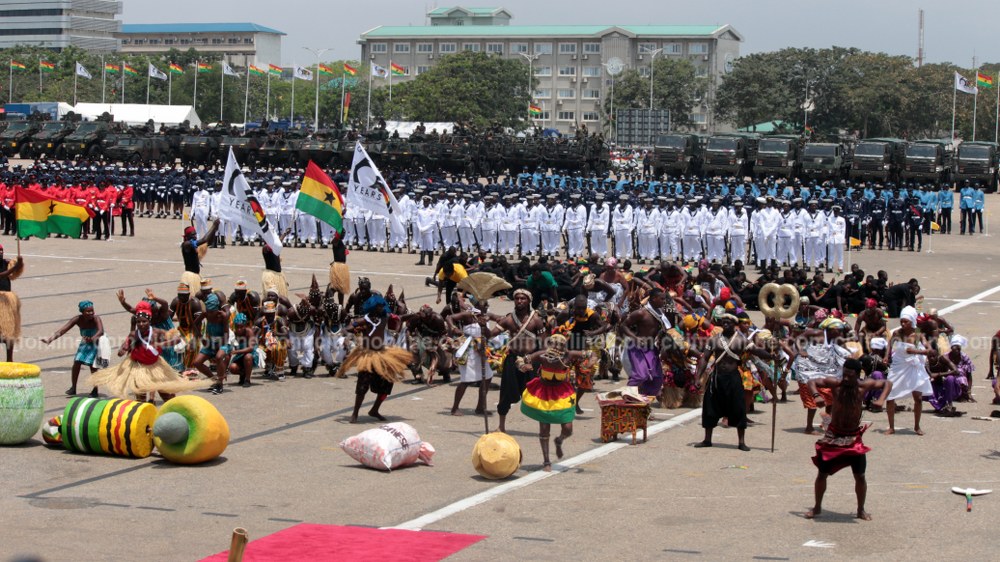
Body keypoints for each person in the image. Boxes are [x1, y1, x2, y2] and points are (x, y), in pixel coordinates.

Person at [805, 358, 892, 521]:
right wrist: (816, 395)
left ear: (857, 375)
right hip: (833, 436)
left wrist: (881, 400)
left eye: (849, 376)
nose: (845, 378)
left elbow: (888, 383)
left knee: (860, 476)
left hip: (853, 437)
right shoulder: (835, 384)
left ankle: (860, 510)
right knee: (822, 473)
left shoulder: (864, 386)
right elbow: (811, 381)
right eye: (844, 374)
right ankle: (817, 507)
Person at [88, 302, 208, 403]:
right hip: (138, 367)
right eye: (139, 322)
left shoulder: (157, 333)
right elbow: (124, 347)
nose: (141, 324)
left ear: (149, 321)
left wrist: (162, 344)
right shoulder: (134, 335)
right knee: (140, 396)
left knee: (166, 395)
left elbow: (177, 339)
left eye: (144, 321)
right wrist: (122, 349)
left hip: (156, 366)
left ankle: (172, 410)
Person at [694, 307, 767, 451]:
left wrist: (771, 356)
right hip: (716, 377)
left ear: (734, 324)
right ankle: (707, 439)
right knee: (710, 407)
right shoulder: (714, 339)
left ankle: (741, 442)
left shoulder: (741, 340)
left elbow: (756, 351)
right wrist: (698, 377)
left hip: (733, 377)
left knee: (738, 408)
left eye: (728, 322)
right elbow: (705, 358)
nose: (725, 324)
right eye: (723, 322)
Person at [518, 334, 585, 471]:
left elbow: (590, 354)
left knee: (568, 429)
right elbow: (521, 359)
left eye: (559, 345)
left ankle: (559, 440)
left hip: (562, 393)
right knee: (544, 429)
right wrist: (523, 366)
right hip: (544, 392)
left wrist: (590, 361)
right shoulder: (542, 354)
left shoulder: (568, 355)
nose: (555, 348)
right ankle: (546, 461)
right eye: (553, 344)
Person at [343, 294, 412, 423]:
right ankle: (355, 413)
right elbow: (347, 328)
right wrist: (353, 332)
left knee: (387, 383)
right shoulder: (364, 320)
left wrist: (415, 314)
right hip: (368, 356)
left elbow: (400, 318)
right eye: (378, 306)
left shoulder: (385, 317)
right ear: (372, 307)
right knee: (362, 387)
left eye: (382, 306)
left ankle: (374, 409)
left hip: (382, 354)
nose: (381, 308)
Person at [494, 288, 544, 433]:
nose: (520, 301)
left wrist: (533, 360)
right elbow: (490, 335)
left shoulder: (536, 320)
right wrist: (483, 325)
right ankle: (501, 426)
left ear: (529, 301)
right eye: (517, 298)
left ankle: (543, 426)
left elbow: (544, 346)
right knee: (505, 394)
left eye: (523, 298)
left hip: (531, 361)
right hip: (512, 360)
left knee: (536, 394)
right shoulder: (508, 319)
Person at [884, 306, 933, 435]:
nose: (903, 324)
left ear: (912, 321)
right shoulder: (897, 333)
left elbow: (930, 351)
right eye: (902, 321)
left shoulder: (917, 334)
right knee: (890, 395)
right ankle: (891, 427)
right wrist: (886, 355)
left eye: (906, 321)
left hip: (912, 366)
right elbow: (890, 343)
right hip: (898, 366)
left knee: (918, 397)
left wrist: (916, 351)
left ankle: (917, 426)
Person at [42, 300, 105, 397]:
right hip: (85, 343)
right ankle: (73, 388)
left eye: (92, 310)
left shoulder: (97, 319)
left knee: (93, 366)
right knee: (77, 362)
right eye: (88, 311)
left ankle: (95, 389)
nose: (91, 313)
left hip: (96, 342)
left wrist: (92, 339)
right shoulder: (77, 319)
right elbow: (63, 330)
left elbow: (100, 331)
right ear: (82, 312)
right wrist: (50, 339)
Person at [447, 296, 496, 416]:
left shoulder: (487, 316)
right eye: (482, 305)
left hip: (481, 350)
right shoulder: (469, 314)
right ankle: (454, 408)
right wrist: (454, 329)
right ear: (477, 306)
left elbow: (502, 319)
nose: (485, 307)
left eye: (486, 305)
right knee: (466, 380)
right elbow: (449, 317)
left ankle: (480, 407)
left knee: (488, 377)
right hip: (468, 351)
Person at [620, 288, 670, 397]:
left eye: (664, 299)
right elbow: (623, 325)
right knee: (640, 376)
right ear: (653, 299)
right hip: (637, 347)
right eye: (662, 299)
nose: (664, 301)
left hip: (651, 348)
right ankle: (627, 398)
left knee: (657, 379)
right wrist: (635, 338)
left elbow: (668, 328)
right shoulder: (641, 313)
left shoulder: (661, 314)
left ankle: (643, 403)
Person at [190, 293, 231, 395]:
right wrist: (200, 337)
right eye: (208, 311)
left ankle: (220, 384)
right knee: (197, 362)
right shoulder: (206, 314)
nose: (210, 313)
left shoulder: (223, 316)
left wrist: (217, 345)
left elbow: (226, 336)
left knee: (218, 357)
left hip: (223, 343)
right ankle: (214, 379)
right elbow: (194, 324)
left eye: (212, 311)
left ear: (217, 309)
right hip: (210, 343)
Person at [180, 219, 219, 290]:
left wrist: (214, 230)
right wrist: (214, 226)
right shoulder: (186, 244)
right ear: (187, 236)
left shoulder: (194, 244)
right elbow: (204, 240)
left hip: (196, 275)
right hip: (190, 276)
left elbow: (209, 242)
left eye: (195, 234)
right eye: (192, 234)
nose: (195, 236)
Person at [0, 249, 24, 362]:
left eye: (1, 251)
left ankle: (10, 360)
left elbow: (14, 274)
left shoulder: (6, 263)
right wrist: (14, 268)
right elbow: (1, 275)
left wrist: (20, 264)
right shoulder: (8, 267)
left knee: (9, 333)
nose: (0, 253)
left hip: (7, 301)